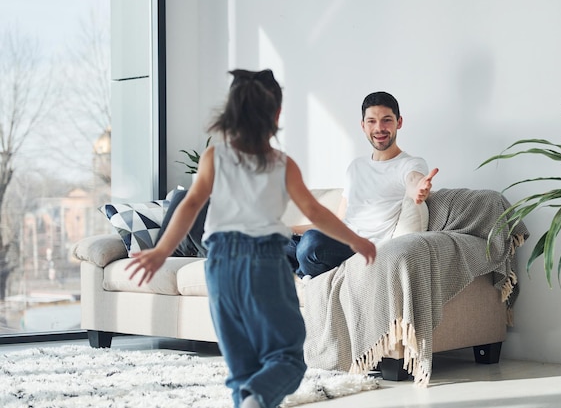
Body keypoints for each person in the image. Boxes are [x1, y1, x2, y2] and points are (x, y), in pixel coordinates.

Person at [125, 69, 376, 408]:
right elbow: (317, 213)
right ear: (277, 114)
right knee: (287, 358)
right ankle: (256, 397)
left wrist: (161, 250)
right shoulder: (281, 164)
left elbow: (191, 204)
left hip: (220, 264)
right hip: (265, 264)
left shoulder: (214, 157)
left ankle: (249, 398)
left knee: (241, 367)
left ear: (232, 112)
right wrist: (357, 241)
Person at [286, 91, 438, 279]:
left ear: (399, 122)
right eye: (372, 121)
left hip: (365, 250)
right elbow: (339, 221)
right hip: (339, 242)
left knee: (310, 244)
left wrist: (419, 189)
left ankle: (304, 270)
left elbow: (414, 180)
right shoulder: (356, 166)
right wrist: (289, 229)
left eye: (387, 120)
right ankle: (305, 270)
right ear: (363, 125)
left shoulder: (410, 164)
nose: (379, 128)